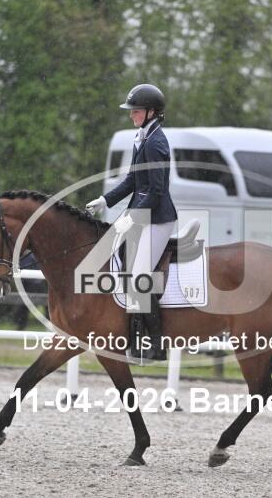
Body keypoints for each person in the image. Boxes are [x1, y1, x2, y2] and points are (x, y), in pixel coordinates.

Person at [86, 83, 178, 362]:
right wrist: (105, 200)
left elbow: (156, 192)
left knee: (139, 277)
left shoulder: (156, 143)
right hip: (143, 215)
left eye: (135, 111)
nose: (131, 115)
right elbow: (131, 182)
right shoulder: (143, 138)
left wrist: (131, 219)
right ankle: (133, 336)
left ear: (151, 112)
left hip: (158, 219)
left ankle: (156, 344)